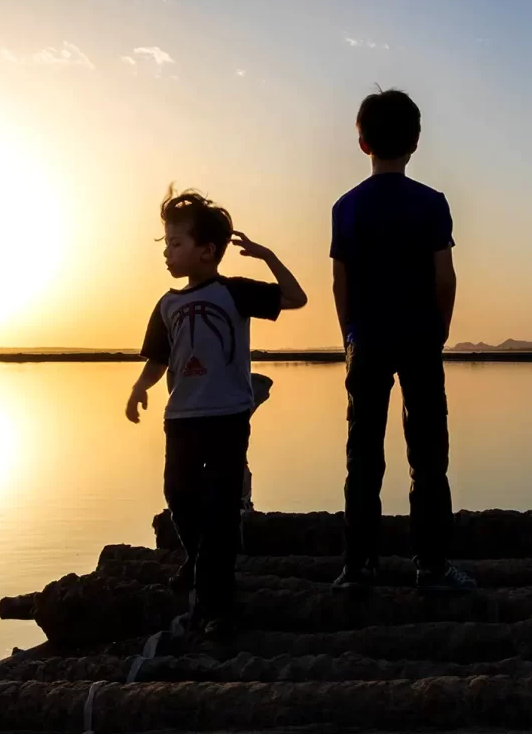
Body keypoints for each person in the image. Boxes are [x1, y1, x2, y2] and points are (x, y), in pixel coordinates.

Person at [127, 186, 307, 634]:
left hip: (228, 415)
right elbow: (159, 359)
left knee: (223, 506)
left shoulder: (234, 293)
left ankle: (217, 604)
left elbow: (295, 297)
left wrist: (267, 256)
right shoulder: (168, 304)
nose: (167, 252)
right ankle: (196, 558)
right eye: (166, 243)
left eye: (176, 243)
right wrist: (139, 387)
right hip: (181, 418)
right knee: (179, 495)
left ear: (206, 251)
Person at [329, 89, 476, 593]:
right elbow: (445, 276)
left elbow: (340, 281)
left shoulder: (346, 207)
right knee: (429, 455)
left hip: (366, 339)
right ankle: (431, 566)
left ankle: (358, 566)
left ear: (362, 142)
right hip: (420, 337)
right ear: (415, 142)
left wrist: (349, 335)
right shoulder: (431, 203)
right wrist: (441, 328)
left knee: (362, 454)